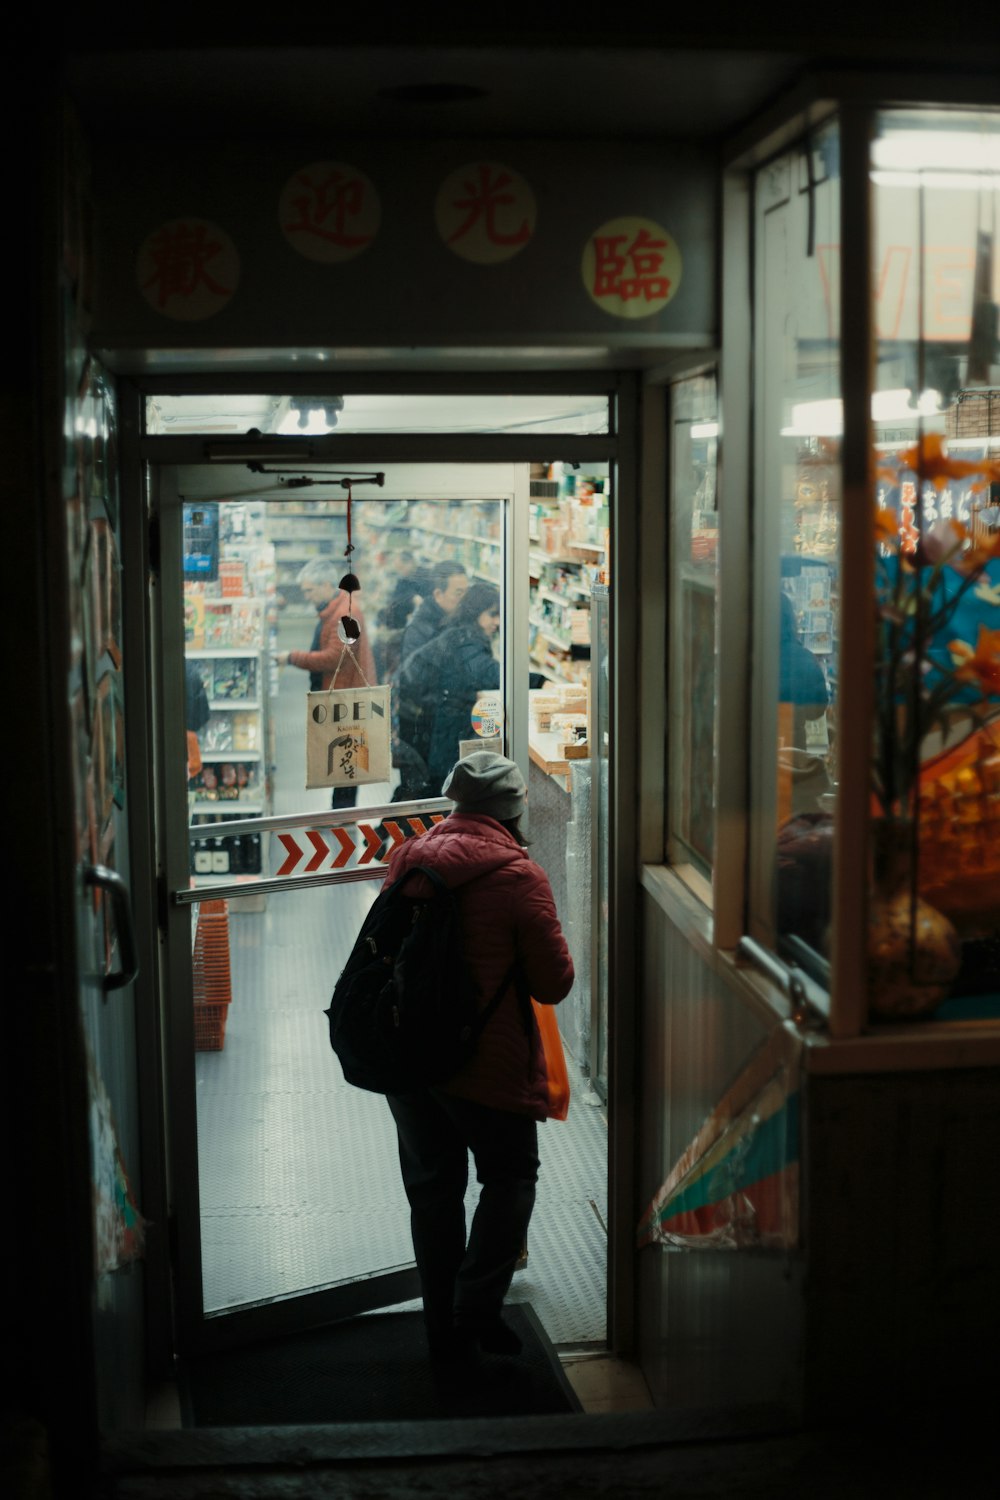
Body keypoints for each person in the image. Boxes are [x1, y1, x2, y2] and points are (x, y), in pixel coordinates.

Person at [382, 751, 574, 1366]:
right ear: (514, 812)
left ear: (454, 804)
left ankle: (442, 1328)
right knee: (511, 1176)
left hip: (410, 1061)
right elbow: (554, 984)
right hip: (486, 1063)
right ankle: (476, 1305)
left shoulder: (408, 859)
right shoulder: (521, 877)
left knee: (434, 1191)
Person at [274, 557, 377, 808]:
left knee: (347, 759)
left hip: (347, 695)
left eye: (309, 590)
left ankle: (342, 814)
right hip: (343, 692)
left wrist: (291, 657)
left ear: (326, 585)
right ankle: (339, 813)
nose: (307, 596)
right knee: (344, 757)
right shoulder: (337, 610)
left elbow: (336, 658)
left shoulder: (345, 614)